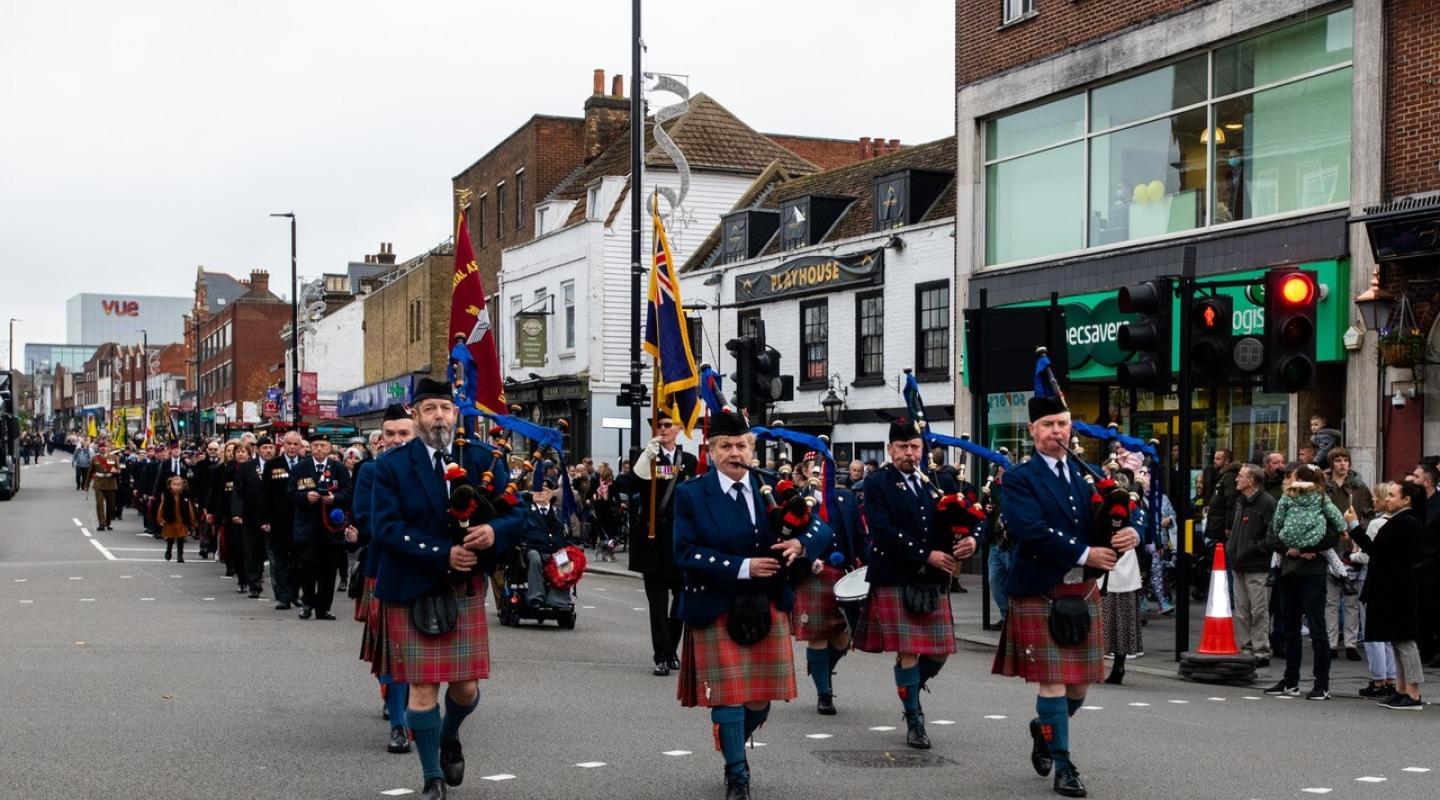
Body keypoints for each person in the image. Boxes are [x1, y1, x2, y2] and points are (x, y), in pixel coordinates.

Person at [369, 378, 524, 800]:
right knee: (421, 689)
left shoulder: (480, 459)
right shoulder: (392, 466)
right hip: (414, 586)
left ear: (456, 414)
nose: (439, 415)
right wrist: (441, 553)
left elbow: (519, 514)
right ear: (415, 416)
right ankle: (431, 776)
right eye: (431, 408)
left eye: (446, 407)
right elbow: (384, 528)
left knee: (465, 687)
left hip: (464, 587)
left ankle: (449, 733)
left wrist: (494, 530)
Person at [672, 407, 831, 800]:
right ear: (711, 450)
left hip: (767, 603)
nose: (734, 452)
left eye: (741, 445)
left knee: (758, 700)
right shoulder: (692, 494)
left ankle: (731, 737)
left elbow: (821, 526)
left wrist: (801, 543)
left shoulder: (770, 488)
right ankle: (736, 773)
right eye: (725, 445)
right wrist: (741, 567)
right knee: (728, 697)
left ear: (751, 448)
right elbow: (685, 552)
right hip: (717, 603)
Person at [992, 393, 1137, 799]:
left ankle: (1044, 729)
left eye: (1062, 424)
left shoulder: (1084, 475)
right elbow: (1029, 529)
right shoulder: (1019, 478)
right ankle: (1064, 765)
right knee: (1054, 682)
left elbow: (1116, 509)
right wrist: (1085, 552)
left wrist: (1130, 532)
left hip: (1081, 589)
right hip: (1039, 588)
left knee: (1080, 687)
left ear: (1070, 429)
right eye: (1048, 425)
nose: (1056, 431)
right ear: (1032, 431)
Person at [854, 418, 975, 750]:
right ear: (890, 449)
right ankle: (915, 718)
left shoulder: (938, 482)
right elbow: (883, 531)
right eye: (903, 447)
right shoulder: (877, 483)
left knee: (940, 652)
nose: (910, 453)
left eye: (915, 447)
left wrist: (971, 541)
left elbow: (967, 516)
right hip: (896, 574)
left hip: (932, 579)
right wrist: (927, 556)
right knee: (908, 651)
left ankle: (907, 686)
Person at [354, 403, 416, 755]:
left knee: (416, 651)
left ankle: (414, 708)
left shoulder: (433, 469)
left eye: (403, 433)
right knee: (392, 654)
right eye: (389, 434)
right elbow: (366, 522)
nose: (395, 440)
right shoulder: (369, 473)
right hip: (384, 567)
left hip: (426, 569)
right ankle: (398, 722)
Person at [623, 409, 698, 676]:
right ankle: (662, 656)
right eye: (659, 425)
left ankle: (671, 648)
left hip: (679, 540)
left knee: (680, 599)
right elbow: (631, 484)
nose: (663, 429)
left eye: (668, 425)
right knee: (656, 603)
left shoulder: (688, 459)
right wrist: (646, 457)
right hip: (652, 540)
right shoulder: (646, 459)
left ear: (678, 428)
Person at [790, 451, 864, 716]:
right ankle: (824, 693)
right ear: (805, 471)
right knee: (818, 637)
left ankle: (821, 669)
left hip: (844, 574)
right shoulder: (797, 501)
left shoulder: (846, 498)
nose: (820, 473)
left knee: (844, 637)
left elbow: (859, 535)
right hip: (813, 575)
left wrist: (868, 567)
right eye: (814, 467)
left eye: (824, 468)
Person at [1264, 464, 1344, 700]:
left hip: (1312, 574)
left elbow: (1332, 534)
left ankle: (1322, 683)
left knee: (1317, 629)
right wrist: (1292, 548)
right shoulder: (1286, 499)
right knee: (1290, 629)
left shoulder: (1321, 500)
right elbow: (1271, 534)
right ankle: (1291, 680)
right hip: (1289, 572)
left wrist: (1306, 547)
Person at [1343, 482, 1426, 710]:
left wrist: (1354, 527)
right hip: (1393, 586)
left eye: (1391, 495)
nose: (1387, 499)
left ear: (1406, 499)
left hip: (1398, 587)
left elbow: (1375, 551)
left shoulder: (1404, 522)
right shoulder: (1402, 521)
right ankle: (1401, 689)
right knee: (1397, 639)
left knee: (1405, 640)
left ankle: (1413, 693)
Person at [291, 432, 352, 621]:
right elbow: (290, 493)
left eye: (323, 446)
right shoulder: (301, 467)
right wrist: (305, 497)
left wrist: (335, 498)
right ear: (309, 448)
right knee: (307, 568)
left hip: (331, 530)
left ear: (329, 448)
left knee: (328, 570)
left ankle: (323, 607)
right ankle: (307, 603)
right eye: (315, 445)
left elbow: (348, 492)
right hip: (307, 528)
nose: (319, 449)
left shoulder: (338, 468)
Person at [1323, 447, 1370, 661]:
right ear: (1332, 464)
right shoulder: (1324, 487)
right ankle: (1331, 642)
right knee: (1331, 599)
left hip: (1351, 546)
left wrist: (1360, 534)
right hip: (1330, 545)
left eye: (1346, 460)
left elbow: (1368, 513)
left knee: (1351, 599)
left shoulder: (1359, 488)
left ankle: (1351, 643)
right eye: (1339, 460)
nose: (1343, 464)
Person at [1228, 464, 1277, 667]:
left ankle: (1261, 651)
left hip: (1257, 565)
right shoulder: (1241, 501)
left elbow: (1272, 534)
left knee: (1259, 610)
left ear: (1252, 481)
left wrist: (1255, 549)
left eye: (1240, 476)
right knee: (1241, 610)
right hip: (1239, 564)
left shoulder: (1267, 502)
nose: (1236, 479)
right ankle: (1245, 647)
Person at [1352, 482, 1397, 699]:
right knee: (1388, 635)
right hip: (1392, 581)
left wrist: (1350, 556)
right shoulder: (1399, 522)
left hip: (1372, 578)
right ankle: (1390, 677)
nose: (1372, 500)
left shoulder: (1376, 524)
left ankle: (1379, 679)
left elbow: (1368, 554)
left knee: (1372, 633)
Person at [261, 431, 304, 609]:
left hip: (301, 520)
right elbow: (265, 494)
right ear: (283, 445)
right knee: (280, 560)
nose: (292, 447)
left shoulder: (305, 464)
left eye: (296, 444)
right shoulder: (272, 465)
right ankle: (284, 596)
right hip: (278, 520)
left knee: (298, 561)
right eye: (289, 444)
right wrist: (264, 519)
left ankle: (294, 593)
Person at [522, 480, 576, 609]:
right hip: (533, 549)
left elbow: (566, 534)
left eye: (544, 490)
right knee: (535, 557)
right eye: (537, 490)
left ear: (551, 494)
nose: (540, 493)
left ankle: (556, 599)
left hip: (555, 551)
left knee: (565, 560)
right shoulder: (526, 509)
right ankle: (536, 598)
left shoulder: (558, 512)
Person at [230, 442, 267, 598]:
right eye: (264, 447)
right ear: (257, 450)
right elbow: (238, 491)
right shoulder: (247, 467)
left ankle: (284, 589)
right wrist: (237, 512)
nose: (268, 450)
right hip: (251, 515)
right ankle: (254, 583)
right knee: (252, 552)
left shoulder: (278, 465)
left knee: (272, 552)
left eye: (271, 447)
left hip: (272, 516)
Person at [155, 475, 195, 562]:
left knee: (181, 538)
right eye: (174, 484)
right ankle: (168, 550)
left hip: (181, 520)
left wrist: (192, 520)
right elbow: (161, 508)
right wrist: (159, 518)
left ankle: (180, 555)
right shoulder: (167, 495)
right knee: (170, 538)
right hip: (170, 519)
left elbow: (189, 508)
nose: (176, 487)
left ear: (182, 486)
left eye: (178, 485)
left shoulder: (185, 496)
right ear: (170, 485)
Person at [87, 443, 119, 531]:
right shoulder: (94, 458)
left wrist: (115, 471)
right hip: (99, 483)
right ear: (99, 448)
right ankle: (101, 523)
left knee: (111, 505)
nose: (103, 448)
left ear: (107, 448)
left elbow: (119, 470)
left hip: (111, 483)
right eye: (101, 447)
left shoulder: (114, 457)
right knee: (99, 504)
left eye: (104, 447)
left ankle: (108, 523)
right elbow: (90, 472)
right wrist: (86, 485)